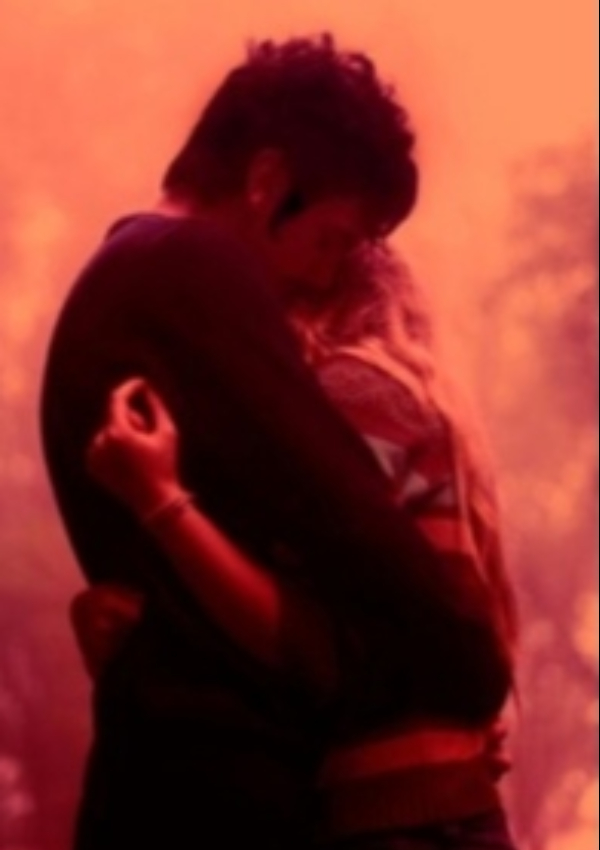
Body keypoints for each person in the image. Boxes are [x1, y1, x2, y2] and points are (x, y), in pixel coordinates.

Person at [41, 35, 513, 850]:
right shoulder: (188, 268)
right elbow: (350, 524)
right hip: (214, 803)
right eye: (329, 239)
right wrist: (472, 671)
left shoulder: (122, 279)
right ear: (267, 182)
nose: (328, 277)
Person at [76, 245, 519, 850]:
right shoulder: (406, 394)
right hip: (422, 806)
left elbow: (300, 629)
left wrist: (161, 504)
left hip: (397, 812)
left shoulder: (354, 389)